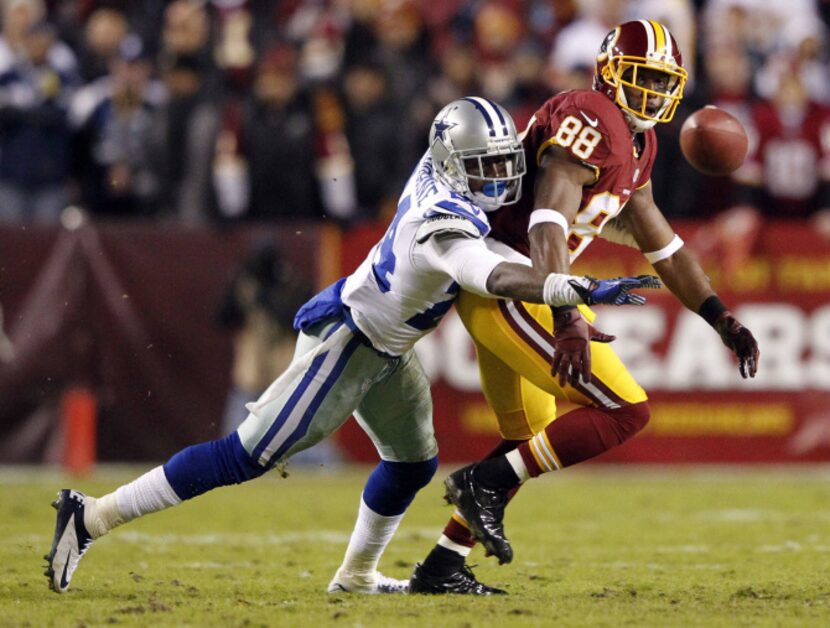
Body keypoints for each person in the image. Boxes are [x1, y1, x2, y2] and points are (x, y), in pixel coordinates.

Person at [44, 97, 658, 595]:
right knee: (244, 456)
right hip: (351, 341)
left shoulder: (441, 174)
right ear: (452, 164)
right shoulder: (443, 219)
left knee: (414, 464)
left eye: (503, 162)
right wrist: (577, 288)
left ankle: (357, 575)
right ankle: (93, 515)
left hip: (390, 347)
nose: (499, 177)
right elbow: (490, 274)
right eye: (484, 165)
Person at [407, 20, 761, 595]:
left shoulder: (639, 142)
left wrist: (720, 315)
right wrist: (566, 314)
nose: (651, 92)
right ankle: (483, 483)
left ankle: (443, 563)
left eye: (661, 81)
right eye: (641, 77)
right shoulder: (593, 115)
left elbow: (664, 248)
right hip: (515, 280)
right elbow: (548, 215)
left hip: (525, 283)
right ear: (610, 71)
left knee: (532, 439)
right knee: (625, 410)